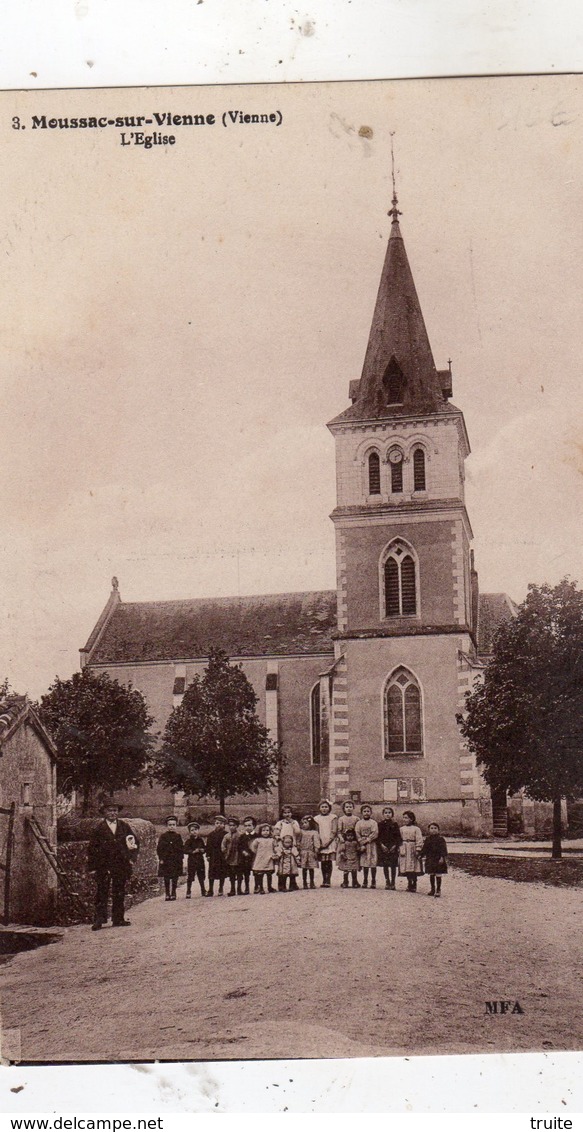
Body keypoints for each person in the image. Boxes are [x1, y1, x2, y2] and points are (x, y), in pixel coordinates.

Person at [87, 797, 139, 930]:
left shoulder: (124, 827)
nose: (113, 813)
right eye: (110, 810)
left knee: (119, 891)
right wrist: (93, 867)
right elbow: (92, 849)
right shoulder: (99, 829)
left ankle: (118, 918)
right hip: (103, 865)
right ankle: (99, 920)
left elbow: (133, 843)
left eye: (115, 811)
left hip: (120, 864)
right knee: (102, 892)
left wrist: (131, 858)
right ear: (104, 812)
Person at [157, 816, 185, 901]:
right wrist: (161, 858)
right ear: (167, 826)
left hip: (175, 860)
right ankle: (167, 893)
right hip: (166, 860)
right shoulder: (163, 836)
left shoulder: (178, 836)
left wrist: (180, 858)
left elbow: (181, 848)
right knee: (166, 877)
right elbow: (159, 848)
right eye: (170, 825)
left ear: (176, 826)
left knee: (175, 876)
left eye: (173, 825)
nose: (172, 826)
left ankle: (173, 892)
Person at [313, 799, 338, 888]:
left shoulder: (333, 817)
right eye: (322, 807)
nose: (324, 809)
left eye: (326, 807)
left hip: (330, 841)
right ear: (319, 808)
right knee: (323, 862)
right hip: (321, 841)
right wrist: (319, 842)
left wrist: (328, 842)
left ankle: (328, 880)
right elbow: (316, 831)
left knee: (329, 861)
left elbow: (334, 831)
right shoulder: (316, 818)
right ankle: (324, 879)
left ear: (329, 808)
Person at [420, 822, 449, 897]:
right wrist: (421, 855)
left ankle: (438, 889)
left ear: (438, 830)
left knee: (438, 874)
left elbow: (443, 849)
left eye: (435, 828)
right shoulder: (427, 839)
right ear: (429, 830)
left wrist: (442, 857)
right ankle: (432, 889)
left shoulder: (441, 839)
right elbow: (425, 848)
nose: (433, 830)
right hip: (430, 859)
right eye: (431, 828)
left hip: (438, 858)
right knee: (431, 874)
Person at [377, 806, 402, 889]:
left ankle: (393, 882)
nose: (387, 814)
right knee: (385, 865)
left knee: (393, 865)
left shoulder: (395, 824)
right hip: (384, 847)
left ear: (392, 814)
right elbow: (378, 836)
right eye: (386, 813)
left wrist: (395, 846)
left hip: (393, 847)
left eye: (389, 813)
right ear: (383, 814)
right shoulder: (380, 824)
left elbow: (398, 837)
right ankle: (387, 881)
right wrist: (381, 845)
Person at [398, 810, 424, 892]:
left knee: (414, 866)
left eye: (406, 818)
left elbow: (419, 839)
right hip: (404, 848)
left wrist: (418, 849)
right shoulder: (401, 829)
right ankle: (409, 883)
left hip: (413, 848)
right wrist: (400, 848)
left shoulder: (416, 829)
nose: (404, 819)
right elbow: (399, 839)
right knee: (406, 866)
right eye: (404, 818)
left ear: (411, 819)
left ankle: (414, 883)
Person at [355, 803, 379, 888]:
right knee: (365, 863)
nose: (366, 813)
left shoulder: (373, 823)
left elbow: (375, 833)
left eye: (368, 811)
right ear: (361, 813)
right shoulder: (359, 823)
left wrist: (368, 840)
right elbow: (357, 833)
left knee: (372, 862)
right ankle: (365, 880)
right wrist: (361, 842)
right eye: (364, 811)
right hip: (363, 845)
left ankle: (373, 880)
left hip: (371, 844)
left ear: (371, 812)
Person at [205, 814, 228, 897]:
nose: (219, 825)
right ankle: (210, 889)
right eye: (217, 823)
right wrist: (208, 855)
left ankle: (220, 888)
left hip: (222, 856)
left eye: (221, 823)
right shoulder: (211, 835)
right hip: (213, 856)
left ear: (224, 825)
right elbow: (208, 846)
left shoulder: (226, 834)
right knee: (211, 872)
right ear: (214, 824)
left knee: (222, 872)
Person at [250, 823, 276, 894]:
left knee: (269, 874)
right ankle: (261, 887)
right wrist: (258, 854)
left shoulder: (272, 840)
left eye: (267, 830)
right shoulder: (258, 840)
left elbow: (275, 847)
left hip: (269, 858)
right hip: (260, 859)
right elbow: (253, 848)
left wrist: (274, 853)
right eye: (263, 830)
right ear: (260, 831)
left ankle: (269, 887)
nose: (265, 832)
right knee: (260, 874)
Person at [183, 820, 206, 898]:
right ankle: (188, 891)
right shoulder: (188, 841)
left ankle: (203, 890)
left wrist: (202, 850)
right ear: (189, 832)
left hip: (200, 860)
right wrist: (192, 851)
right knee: (190, 876)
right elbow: (185, 850)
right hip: (192, 860)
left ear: (198, 831)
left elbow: (204, 848)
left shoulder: (200, 840)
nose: (194, 832)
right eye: (192, 830)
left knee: (201, 876)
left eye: (195, 830)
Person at [221, 816, 243, 896]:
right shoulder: (226, 836)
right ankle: (232, 889)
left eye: (234, 825)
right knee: (232, 874)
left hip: (239, 857)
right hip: (230, 857)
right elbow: (223, 845)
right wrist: (225, 851)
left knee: (239, 874)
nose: (232, 827)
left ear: (237, 826)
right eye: (230, 825)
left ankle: (239, 889)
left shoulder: (240, 835)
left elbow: (243, 844)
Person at [298, 814, 320, 889]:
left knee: (311, 868)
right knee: (304, 868)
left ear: (310, 824)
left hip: (311, 852)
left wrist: (316, 850)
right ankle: (304, 882)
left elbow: (316, 842)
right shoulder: (301, 832)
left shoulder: (314, 832)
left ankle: (312, 882)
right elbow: (298, 840)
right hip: (303, 852)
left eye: (306, 823)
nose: (304, 825)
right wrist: (298, 848)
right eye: (302, 823)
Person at [237, 816, 257, 895]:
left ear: (254, 826)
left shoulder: (257, 836)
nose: (247, 827)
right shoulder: (242, 836)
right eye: (245, 826)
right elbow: (239, 846)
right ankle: (246, 888)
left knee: (256, 873)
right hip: (244, 858)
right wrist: (243, 851)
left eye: (249, 825)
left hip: (254, 857)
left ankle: (257, 886)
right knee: (245, 873)